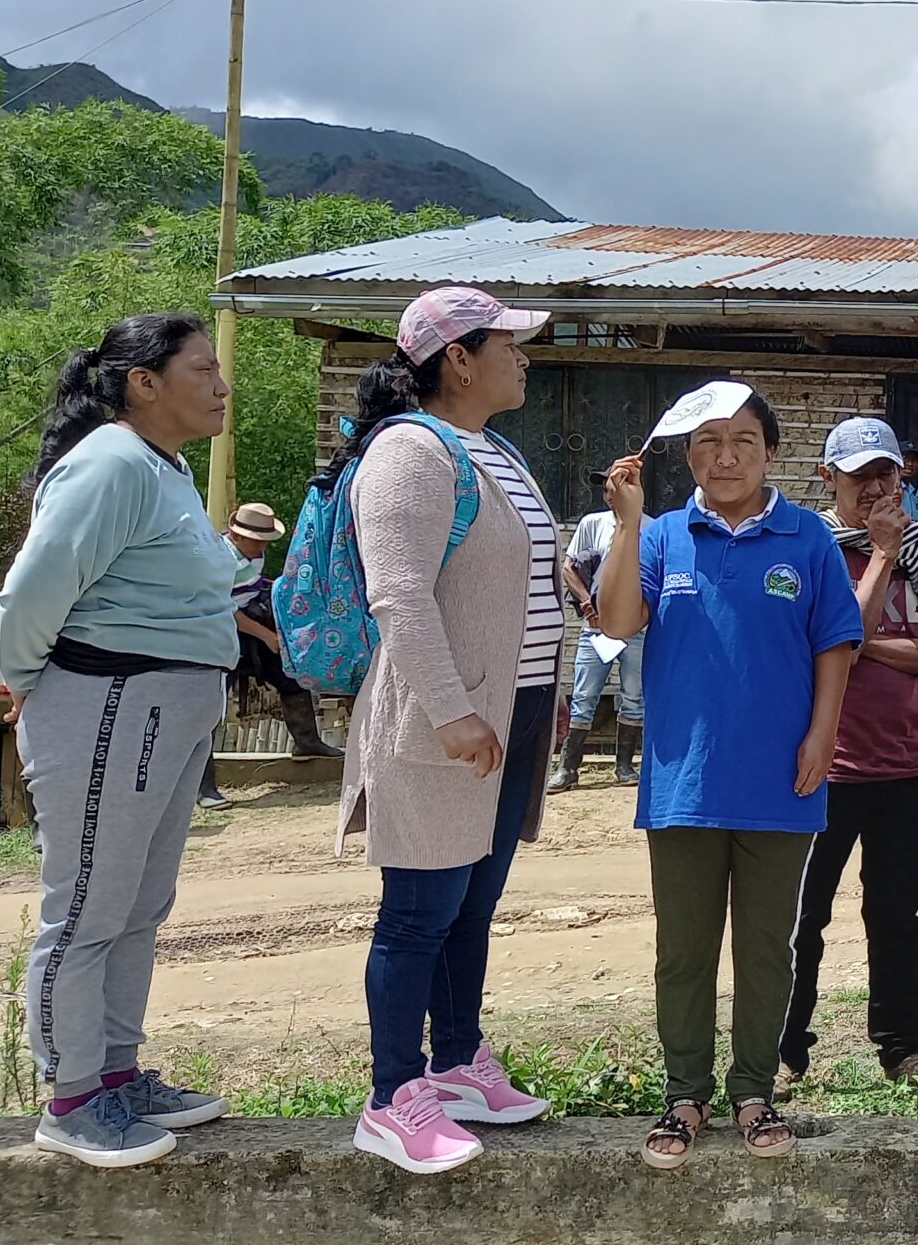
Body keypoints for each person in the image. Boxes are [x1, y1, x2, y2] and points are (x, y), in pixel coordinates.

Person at [0, 313, 238, 1168]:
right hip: (111, 703)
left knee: (137, 905)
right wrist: (20, 675)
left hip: (164, 707)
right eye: (202, 368)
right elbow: (36, 585)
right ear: (144, 382)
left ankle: (115, 1074)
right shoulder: (109, 463)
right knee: (90, 906)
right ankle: (71, 1097)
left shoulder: (160, 469)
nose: (221, 383)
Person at [596, 385, 862, 1168]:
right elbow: (615, 623)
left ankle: (753, 1090)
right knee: (682, 949)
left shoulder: (808, 537)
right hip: (683, 780)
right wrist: (625, 524)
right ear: (687, 456)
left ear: (769, 451)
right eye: (709, 441)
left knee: (766, 948)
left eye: (743, 439)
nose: (726, 455)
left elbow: (836, 645)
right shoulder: (663, 536)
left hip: (783, 779)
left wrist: (822, 735)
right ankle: (685, 1094)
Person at [330, 288, 561, 1173]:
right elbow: (400, 594)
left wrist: (541, 689)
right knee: (418, 912)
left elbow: (521, 588)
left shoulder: (493, 449)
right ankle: (394, 1095)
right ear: (459, 359)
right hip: (445, 720)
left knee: (474, 901)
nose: (525, 358)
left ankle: (458, 1061)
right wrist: (453, 711)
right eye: (512, 345)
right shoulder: (411, 452)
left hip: (513, 712)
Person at [779, 418, 918, 1089]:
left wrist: (861, 647)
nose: (879, 489)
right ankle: (785, 1049)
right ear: (830, 479)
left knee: (894, 915)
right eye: (863, 478)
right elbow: (825, 639)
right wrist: (882, 560)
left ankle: (900, 1047)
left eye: (888, 474)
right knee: (802, 917)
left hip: (905, 767)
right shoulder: (810, 547)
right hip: (820, 768)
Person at [212, 500, 342, 811]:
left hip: (250, 619)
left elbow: (252, 589)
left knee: (290, 675)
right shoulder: (218, 559)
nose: (261, 546)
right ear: (236, 535)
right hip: (220, 630)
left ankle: (307, 741)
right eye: (256, 540)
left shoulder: (251, 554)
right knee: (212, 704)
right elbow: (224, 608)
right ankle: (205, 786)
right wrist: (268, 635)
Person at [552, 480, 649, 793]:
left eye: (615, 489)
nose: (610, 496)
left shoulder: (651, 528)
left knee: (634, 697)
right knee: (583, 696)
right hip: (596, 626)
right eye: (607, 490)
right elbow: (569, 568)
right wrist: (584, 601)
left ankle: (624, 765)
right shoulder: (592, 524)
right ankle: (568, 768)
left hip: (637, 628)